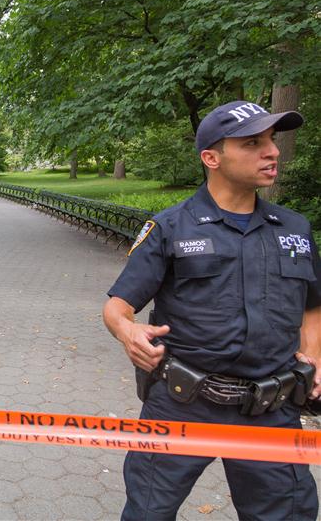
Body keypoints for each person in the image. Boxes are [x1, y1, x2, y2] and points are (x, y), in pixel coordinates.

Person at [102, 100, 321, 521]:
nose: (272, 151)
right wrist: (127, 332)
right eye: (253, 143)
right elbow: (118, 306)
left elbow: (313, 304)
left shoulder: (294, 229)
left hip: (271, 410)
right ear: (211, 158)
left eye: (272, 141)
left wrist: (315, 355)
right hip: (182, 403)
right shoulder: (170, 227)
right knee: (149, 511)